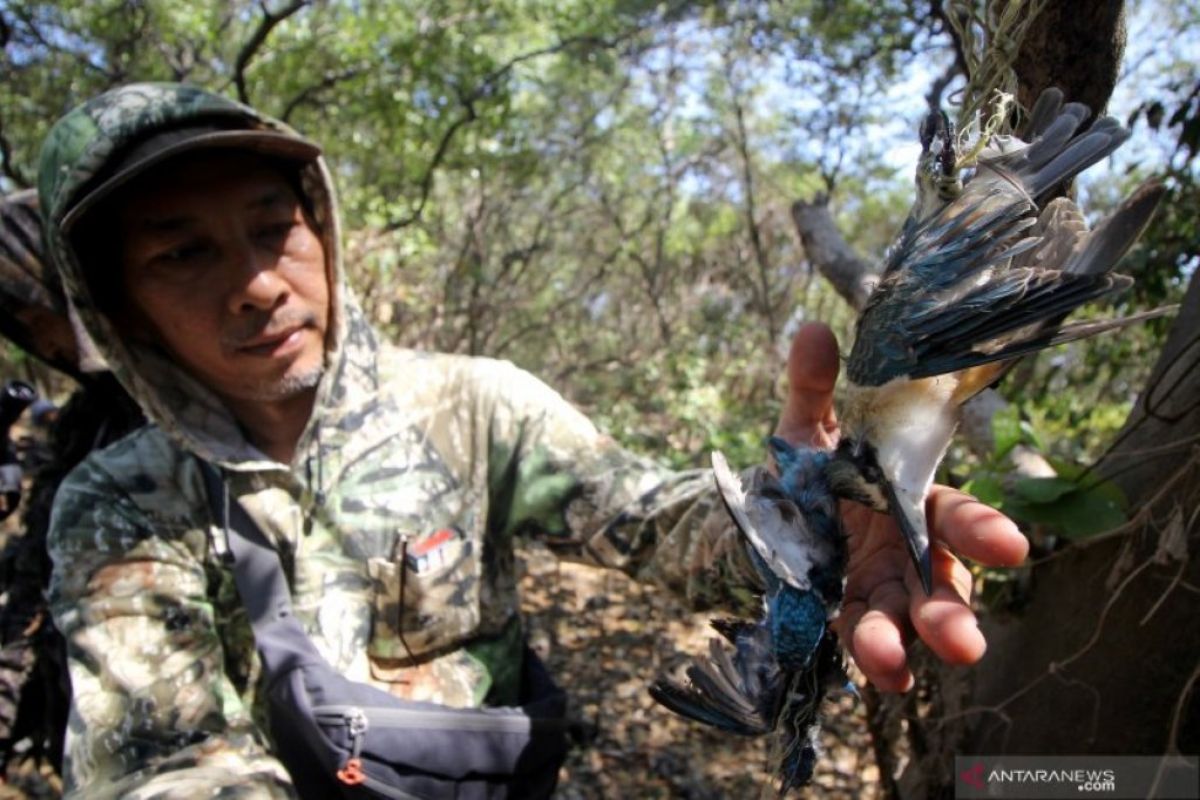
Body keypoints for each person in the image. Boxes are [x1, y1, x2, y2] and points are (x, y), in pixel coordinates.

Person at [40, 82, 1027, 798]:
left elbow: (644, 515)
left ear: (322, 232)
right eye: (183, 252)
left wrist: (811, 519)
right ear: (117, 304)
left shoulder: (473, 407)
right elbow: (165, 761)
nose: (257, 281)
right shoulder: (125, 503)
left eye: (272, 227)